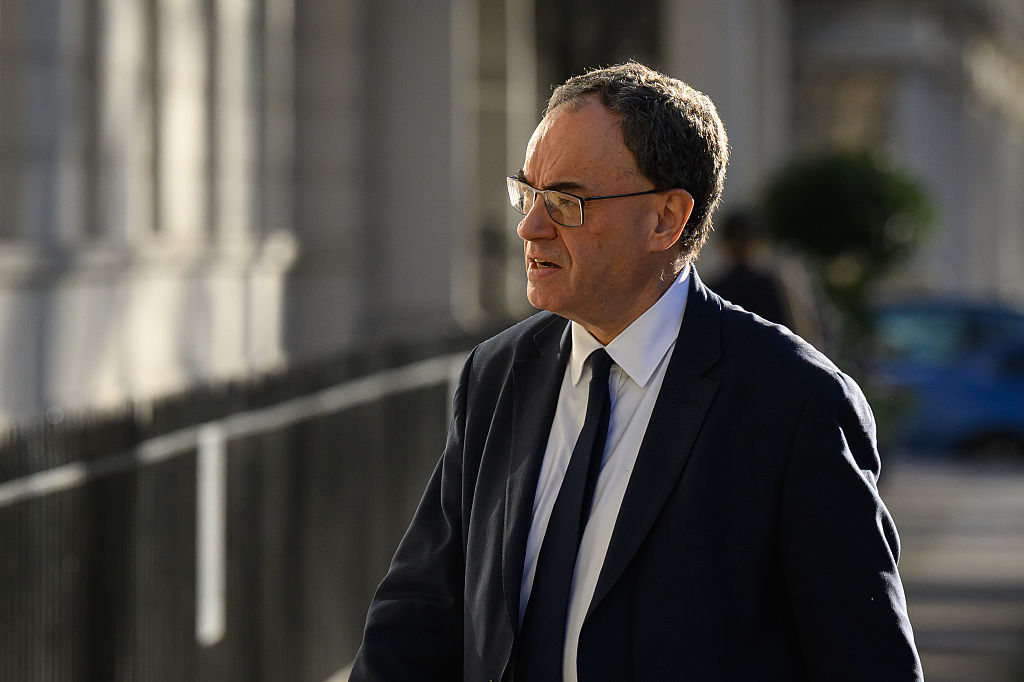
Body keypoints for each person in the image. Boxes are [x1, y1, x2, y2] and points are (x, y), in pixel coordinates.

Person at [351, 62, 921, 681]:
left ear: (666, 219)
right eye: (527, 194)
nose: (530, 227)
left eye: (566, 203)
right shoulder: (498, 375)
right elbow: (419, 614)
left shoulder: (793, 404)